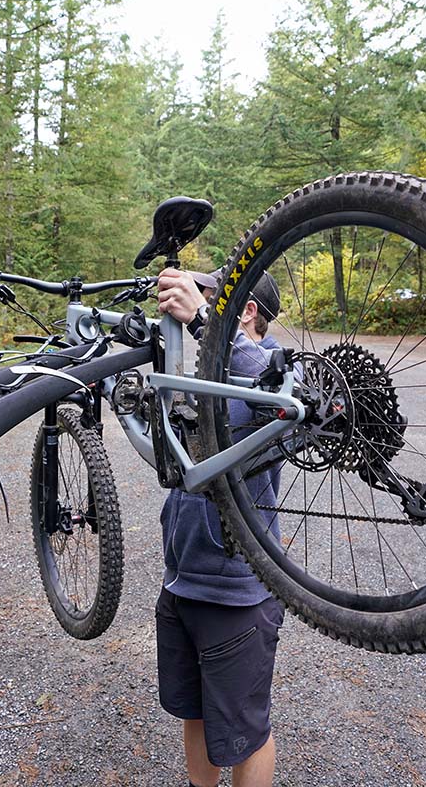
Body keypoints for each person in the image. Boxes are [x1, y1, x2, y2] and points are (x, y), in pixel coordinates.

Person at [153, 266, 286, 787]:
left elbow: (274, 397)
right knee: (197, 714)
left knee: (246, 731)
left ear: (244, 309)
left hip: (239, 592)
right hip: (183, 577)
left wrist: (208, 321)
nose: (197, 300)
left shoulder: (270, 370)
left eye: (211, 294)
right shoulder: (211, 373)